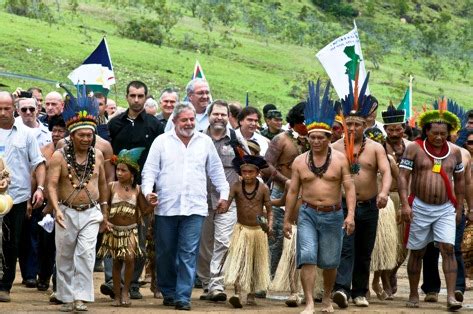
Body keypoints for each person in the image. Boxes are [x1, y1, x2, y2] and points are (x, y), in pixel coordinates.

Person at [142, 102, 229, 311]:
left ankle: (183, 296)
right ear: (174, 121)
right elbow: (150, 171)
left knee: (189, 252)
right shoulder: (161, 142)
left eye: (192, 119)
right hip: (166, 207)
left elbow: (217, 172)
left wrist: (224, 195)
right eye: (184, 120)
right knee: (165, 253)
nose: (189, 123)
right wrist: (147, 192)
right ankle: (169, 291)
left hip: (196, 208)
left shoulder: (204, 142)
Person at [282, 80, 356, 313]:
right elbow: (293, 191)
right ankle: (310, 302)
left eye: (321, 137)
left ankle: (326, 299)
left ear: (328, 137)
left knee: (330, 262)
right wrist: (287, 219)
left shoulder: (341, 160)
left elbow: (349, 188)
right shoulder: (299, 162)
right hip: (307, 214)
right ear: (307, 138)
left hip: (334, 215)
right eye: (312, 137)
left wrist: (350, 215)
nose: (316, 141)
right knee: (308, 256)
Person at [331, 73, 392, 308]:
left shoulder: (376, 148)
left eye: (358, 124)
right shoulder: (335, 148)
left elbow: (386, 172)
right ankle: (341, 290)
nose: (353, 128)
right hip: (344, 205)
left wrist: (384, 193)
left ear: (366, 125)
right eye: (350, 124)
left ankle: (360, 292)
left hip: (369, 205)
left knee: (364, 251)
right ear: (344, 124)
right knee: (346, 248)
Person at [398, 98, 465, 311]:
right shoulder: (414, 150)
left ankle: (451, 298)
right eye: (434, 133)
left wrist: (460, 207)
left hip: (446, 207)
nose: (438, 137)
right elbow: (402, 176)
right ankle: (413, 293)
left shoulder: (455, 152)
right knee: (417, 251)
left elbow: (462, 181)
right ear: (426, 131)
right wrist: (405, 205)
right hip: (419, 206)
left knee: (448, 248)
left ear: (450, 133)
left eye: (443, 134)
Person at [47, 86, 109, 312]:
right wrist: (57, 209)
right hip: (66, 211)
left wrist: (104, 210)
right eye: (81, 135)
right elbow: (51, 185)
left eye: (89, 135)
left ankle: (81, 298)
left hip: (91, 212)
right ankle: (65, 297)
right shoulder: (59, 156)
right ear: (71, 135)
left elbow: (102, 184)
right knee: (64, 256)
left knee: (85, 253)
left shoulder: (99, 155)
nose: (86, 139)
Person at [106, 80, 164, 299]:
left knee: (139, 237)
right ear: (126, 96)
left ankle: (131, 285)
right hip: (116, 189)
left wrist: (151, 190)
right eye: (133, 96)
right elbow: (107, 155)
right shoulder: (115, 124)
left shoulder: (154, 126)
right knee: (113, 234)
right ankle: (113, 282)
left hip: (142, 190)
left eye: (141, 96)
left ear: (146, 97)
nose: (136, 100)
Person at [197, 100, 249, 302]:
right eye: (215, 114)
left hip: (228, 202)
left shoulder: (236, 139)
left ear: (229, 117)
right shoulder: (198, 138)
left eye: (223, 115)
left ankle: (217, 285)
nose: (219, 118)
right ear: (208, 116)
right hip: (201, 200)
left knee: (222, 242)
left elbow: (249, 164)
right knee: (203, 245)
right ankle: (206, 283)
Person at [0, 91, 46, 303]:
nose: (3, 112)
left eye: (7, 108)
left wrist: (40, 188)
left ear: (15, 109)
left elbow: (38, 162)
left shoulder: (26, 135)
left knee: (11, 242)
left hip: (15, 198)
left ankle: (4, 286)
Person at [264, 101, 309, 301]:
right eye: (306, 121)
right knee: (276, 240)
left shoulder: (315, 140)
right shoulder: (281, 139)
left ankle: (298, 286)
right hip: (279, 193)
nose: (309, 125)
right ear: (297, 121)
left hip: (306, 197)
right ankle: (266, 282)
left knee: (302, 240)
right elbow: (266, 165)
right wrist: (285, 181)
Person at [98, 147, 151, 307]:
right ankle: (117, 294)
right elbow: (104, 205)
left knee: (129, 258)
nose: (119, 173)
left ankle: (126, 290)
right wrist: (105, 220)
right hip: (113, 230)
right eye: (118, 169)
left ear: (132, 173)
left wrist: (154, 204)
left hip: (131, 230)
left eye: (123, 170)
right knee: (116, 262)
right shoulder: (112, 186)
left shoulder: (138, 189)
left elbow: (145, 210)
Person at [224, 154, 272, 308]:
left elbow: (270, 210)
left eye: (251, 172)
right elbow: (227, 203)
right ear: (240, 173)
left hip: (257, 230)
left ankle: (251, 295)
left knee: (254, 263)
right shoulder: (236, 186)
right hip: (242, 229)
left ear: (258, 173)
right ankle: (237, 294)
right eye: (244, 172)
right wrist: (222, 207)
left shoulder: (263, 188)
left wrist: (269, 225)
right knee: (240, 261)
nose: (247, 175)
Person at [15, 97, 51, 289]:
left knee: (43, 234)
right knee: (26, 234)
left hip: (43, 189)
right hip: (20, 188)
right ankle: (29, 274)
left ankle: (42, 273)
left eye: (31, 109)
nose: (28, 113)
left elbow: (43, 163)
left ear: (38, 109)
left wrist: (42, 188)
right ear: (18, 111)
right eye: (24, 110)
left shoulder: (48, 134)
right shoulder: (13, 132)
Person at [379, 103, 411, 298]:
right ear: (385, 129)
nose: (395, 132)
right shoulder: (378, 148)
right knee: (386, 242)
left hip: (406, 198)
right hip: (386, 198)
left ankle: (392, 272)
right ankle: (384, 278)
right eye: (391, 129)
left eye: (398, 128)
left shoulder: (412, 148)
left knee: (404, 244)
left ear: (404, 128)